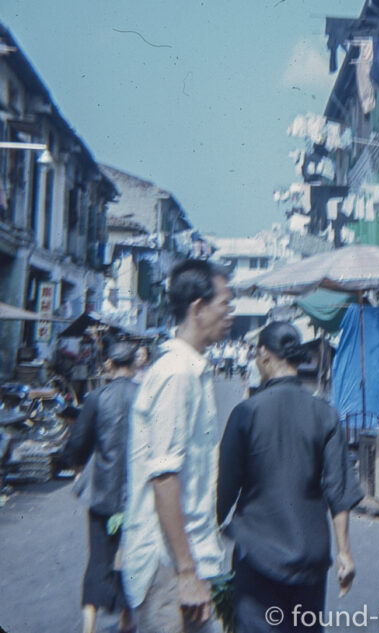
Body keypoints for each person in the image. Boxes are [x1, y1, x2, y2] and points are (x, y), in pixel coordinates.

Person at [217, 321, 363, 633]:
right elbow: (339, 490)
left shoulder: (246, 413)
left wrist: (202, 543)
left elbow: (224, 492)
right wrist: (345, 553)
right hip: (310, 558)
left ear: (264, 355)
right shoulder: (324, 413)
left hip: (258, 553)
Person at [121, 258, 233, 633]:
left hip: (194, 557)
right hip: (170, 565)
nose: (230, 314)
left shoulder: (192, 369)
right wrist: (186, 571)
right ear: (198, 309)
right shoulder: (177, 374)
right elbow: (165, 478)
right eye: (225, 304)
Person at [63, 340, 139, 633]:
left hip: (101, 493)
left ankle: (89, 626)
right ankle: (126, 622)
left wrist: (75, 463)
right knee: (129, 557)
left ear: (108, 365)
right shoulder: (145, 397)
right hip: (134, 496)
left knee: (98, 559)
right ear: (135, 364)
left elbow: (78, 444)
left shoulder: (96, 397)